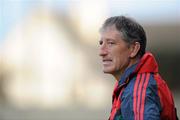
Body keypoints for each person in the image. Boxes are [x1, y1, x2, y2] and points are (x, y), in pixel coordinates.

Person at [98, 16, 178, 120]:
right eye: (101, 43)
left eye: (111, 43)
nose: (101, 52)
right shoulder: (130, 83)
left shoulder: (138, 90)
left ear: (134, 49)